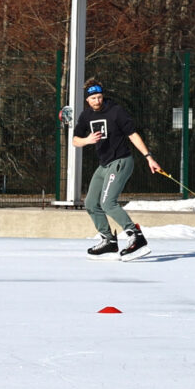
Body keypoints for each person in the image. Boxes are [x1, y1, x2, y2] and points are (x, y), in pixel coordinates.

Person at [71, 78, 161, 261]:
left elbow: (133, 135)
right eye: (93, 98)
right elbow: (75, 140)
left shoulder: (115, 111)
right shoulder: (86, 116)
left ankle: (136, 237)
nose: (97, 100)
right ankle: (109, 241)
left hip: (121, 161)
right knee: (91, 203)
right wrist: (87, 140)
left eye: (99, 97)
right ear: (87, 100)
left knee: (108, 203)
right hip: (104, 165)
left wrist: (149, 157)